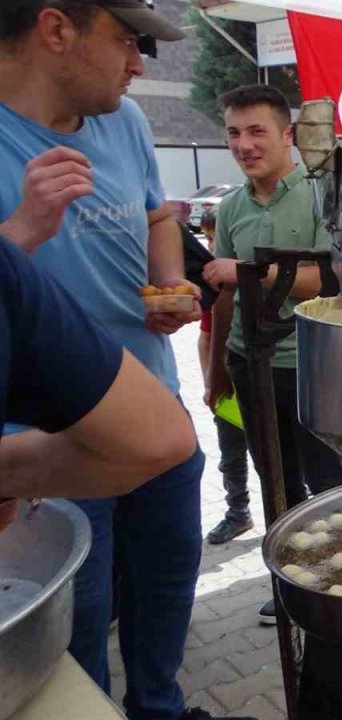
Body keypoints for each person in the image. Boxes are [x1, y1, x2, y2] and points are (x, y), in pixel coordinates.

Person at [0, 2, 240, 719]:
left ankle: (161, 711)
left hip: (153, 406)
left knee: (166, 590)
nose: (139, 63)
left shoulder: (124, 122)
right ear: (55, 29)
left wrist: (169, 287)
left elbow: (156, 216)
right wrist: (19, 231)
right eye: (128, 41)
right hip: (48, 445)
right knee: (78, 614)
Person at [203, 84, 342, 625]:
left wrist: (250, 273)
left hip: (310, 363)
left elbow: (327, 281)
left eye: (256, 131)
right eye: (234, 133)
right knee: (275, 479)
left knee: (328, 479)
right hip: (251, 364)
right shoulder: (231, 207)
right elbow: (222, 298)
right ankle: (293, 583)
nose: (244, 144)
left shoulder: (320, 196)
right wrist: (217, 367)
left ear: (288, 134)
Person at [0, 236, 196, 534]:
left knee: (165, 571)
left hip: (152, 395)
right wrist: (28, 226)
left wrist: (170, 281)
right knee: (81, 573)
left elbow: (159, 219)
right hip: (43, 442)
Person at [197, 208, 252, 545]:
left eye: (216, 238)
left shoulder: (248, 277)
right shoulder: (213, 286)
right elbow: (205, 337)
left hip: (260, 372)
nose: (211, 245)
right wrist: (210, 381)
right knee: (231, 453)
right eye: (207, 238)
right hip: (227, 383)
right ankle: (238, 512)